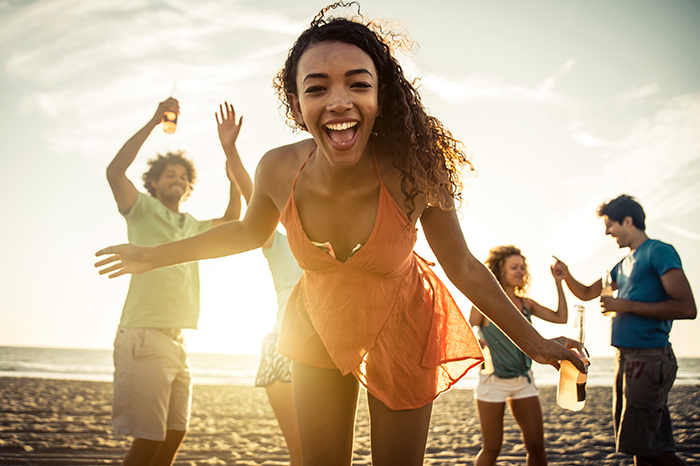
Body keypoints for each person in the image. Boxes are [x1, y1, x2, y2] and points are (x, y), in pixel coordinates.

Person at [96, 6, 587, 465]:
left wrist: (535, 342)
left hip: (404, 322)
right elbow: (247, 232)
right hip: (317, 320)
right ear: (296, 103)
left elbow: (461, 267)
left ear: (380, 96)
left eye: (358, 84)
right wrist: (151, 255)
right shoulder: (277, 168)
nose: (338, 102)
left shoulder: (414, 169)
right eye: (317, 88)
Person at [105, 97, 243, 466]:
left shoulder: (193, 226)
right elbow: (115, 172)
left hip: (178, 340)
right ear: (153, 182)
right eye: (169, 174)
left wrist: (232, 176)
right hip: (144, 335)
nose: (177, 179)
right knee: (148, 441)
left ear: (188, 186)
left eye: (183, 176)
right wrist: (153, 120)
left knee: (175, 434)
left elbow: (234, 220)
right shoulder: (141, 209)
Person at [552, 194, 697, 466]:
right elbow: (586, 293)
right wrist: (565, 274)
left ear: (628, 221)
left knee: (645, 450)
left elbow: (687, 308)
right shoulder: (623, 264)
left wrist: (625, 305)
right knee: (648, 445)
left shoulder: (659, 251)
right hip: (627, 359)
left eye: (610, 224)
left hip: (649, 357)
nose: (607, 231)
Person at [217, 102, 303, 465]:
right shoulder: (278, 241)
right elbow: (255, 197)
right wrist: (231, 150)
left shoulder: (337, 246)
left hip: (328, 349)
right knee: (302, 451)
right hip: (283, 347)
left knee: (323, 452)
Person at [469, 246, 569, 466]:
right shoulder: (484, 302)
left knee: (536, 446)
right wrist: (477, 342)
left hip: (523, 380)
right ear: (499, 271)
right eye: (514, 267)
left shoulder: (526, 304)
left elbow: (561, 317)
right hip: (492, 382)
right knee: (492, 448)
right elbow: (468, 329)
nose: (520, 271)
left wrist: (559, 283)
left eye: (522, 267)